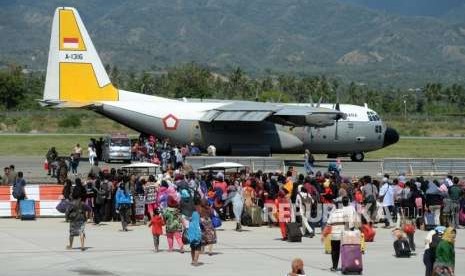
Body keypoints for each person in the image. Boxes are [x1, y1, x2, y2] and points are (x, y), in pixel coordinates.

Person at [325, 197, 350, 272]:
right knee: (345, 251)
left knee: (334, 251)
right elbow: (347, 225)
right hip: (343, 235)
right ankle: (345, 266)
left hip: (334, 235)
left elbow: (328, 224)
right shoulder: (345, 213)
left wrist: (325, 234)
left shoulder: (332, 214)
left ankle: (334, 267)